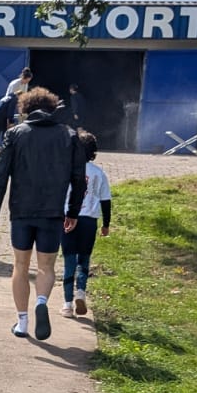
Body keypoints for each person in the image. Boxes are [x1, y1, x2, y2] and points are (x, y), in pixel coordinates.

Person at [0, 87, 87, 341]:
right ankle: (41, 302)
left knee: (20, 266)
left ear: (25, 110)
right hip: (53, 212)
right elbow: (79, 178)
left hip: (21, 210)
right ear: (53, 109)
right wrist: (73, 211)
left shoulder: (15, 134)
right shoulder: (69, 135)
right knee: (46, 266)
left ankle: (22, 322)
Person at [61, 129, 112, 318]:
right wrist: (106, 224)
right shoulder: (98, 173)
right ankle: (81, 291)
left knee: (68, 261)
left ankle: (67, 304)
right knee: (84, 259)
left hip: (67, 218)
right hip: (89, 220)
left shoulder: (66, 170)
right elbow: (105, 201)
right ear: (93, 151)